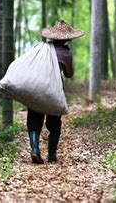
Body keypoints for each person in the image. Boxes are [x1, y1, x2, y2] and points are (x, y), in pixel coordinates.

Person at [27, 20, 84, 164]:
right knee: (54, 123)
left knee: (34, 119)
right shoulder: (66, 53)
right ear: (68, 38)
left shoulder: (41, 48)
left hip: (36, 87)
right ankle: (51, 155)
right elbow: (69, 74)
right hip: (54, 89)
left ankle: (35, 149)